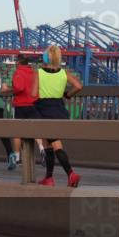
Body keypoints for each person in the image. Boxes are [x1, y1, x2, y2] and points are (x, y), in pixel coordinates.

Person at [35, 45, 83, 187]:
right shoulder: (64, 73)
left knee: (55, 144)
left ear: (46, 57)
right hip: (59, 109)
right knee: (47, 143)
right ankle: (48, 178)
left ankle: (71, 174)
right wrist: (67, 94)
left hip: (44, 109)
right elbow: (79, 86)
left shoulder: (38, 72)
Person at [10, 52, 40, 167]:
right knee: (36, 129)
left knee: (18, 132)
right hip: (34, 104)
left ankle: (17, 158)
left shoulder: (18, 72)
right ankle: (42, 149)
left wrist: (12, 89)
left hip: (21, 105)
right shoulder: (33, 72)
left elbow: (19, 87)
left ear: (18, 62)